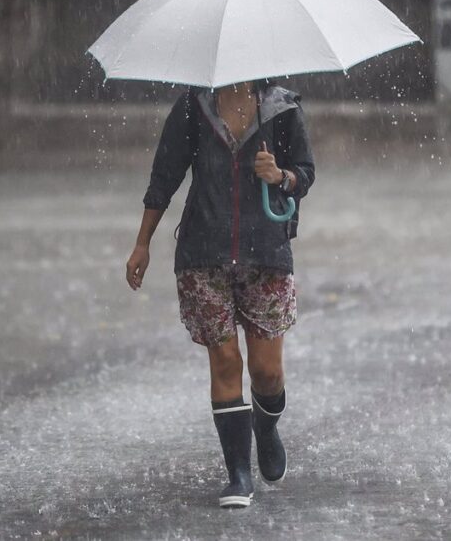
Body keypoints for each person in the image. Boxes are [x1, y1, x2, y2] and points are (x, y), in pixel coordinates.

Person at [125, 78, 315, 509]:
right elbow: (164, 176)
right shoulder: (194, 107)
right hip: (203, 252)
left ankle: (265, 431)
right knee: (225, 360)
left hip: (265, 251)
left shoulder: (281, 109)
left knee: (266, 371)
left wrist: (281, 175)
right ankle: (239, 474)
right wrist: (143, 242)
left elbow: (305, 172)